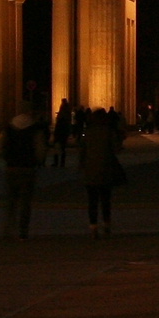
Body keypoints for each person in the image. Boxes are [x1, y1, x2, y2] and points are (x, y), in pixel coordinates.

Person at [1, 103, 48, 239]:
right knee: (26, 201)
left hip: (11, 168)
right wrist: (38, 161)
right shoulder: (34, 128)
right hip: (28, 168)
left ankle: (9, 229)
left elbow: (0, 147)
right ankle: (23, 231)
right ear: (29, 112)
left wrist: (7, 158)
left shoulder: (9, 128)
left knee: (11, 200)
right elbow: (40, 149)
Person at [78, 107, 123, 237]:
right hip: (106, 169)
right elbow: (116, 148)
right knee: (105, 200)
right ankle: (107, 225)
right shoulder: (108, 131)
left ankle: (93, 227)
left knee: (92, 201)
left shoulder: (88, 132)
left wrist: (81, 165)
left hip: (91, 170)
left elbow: (82, 150)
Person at [53, 99, 73, 167]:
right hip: (64, 132)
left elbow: (58, 125)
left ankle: (56, 162)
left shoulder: (62, 115)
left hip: (59, 133)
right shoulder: (68, 113)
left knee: (56, 148)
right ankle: (62, 163)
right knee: (63, 148)